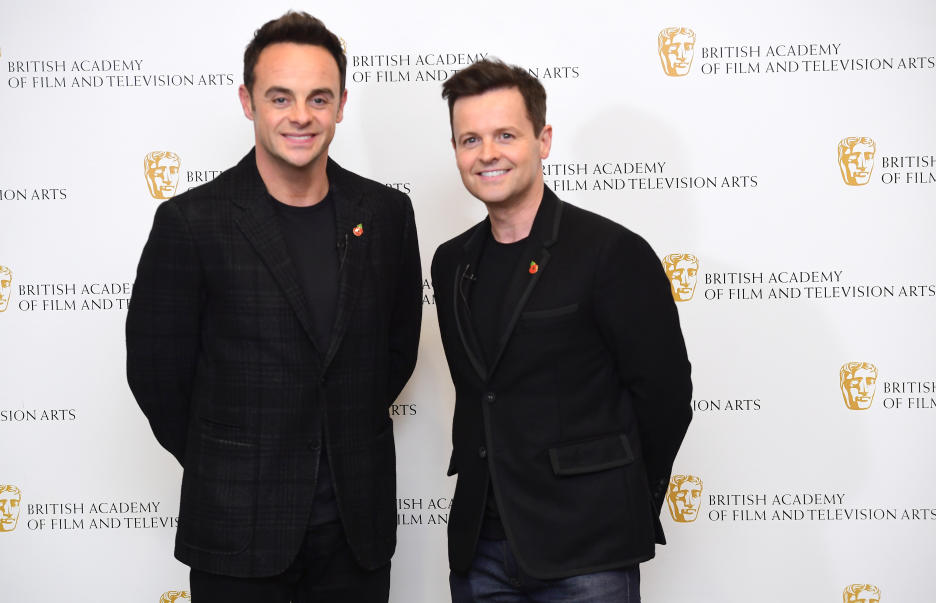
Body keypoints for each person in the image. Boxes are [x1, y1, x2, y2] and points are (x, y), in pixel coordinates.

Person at [126, 11, 421, 602]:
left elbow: (395, 351)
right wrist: (231, 456)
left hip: (354, 532)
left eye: (318, 98)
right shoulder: (191, 222)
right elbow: (157, 377)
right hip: (236, 526)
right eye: (280, 97)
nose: (300, 116)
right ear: (247, 100)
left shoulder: (386, 215)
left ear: (340, 105)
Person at [432, 59, 692, 602]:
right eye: (470, 139)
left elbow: (666, 396)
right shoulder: (451, 262)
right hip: (479, 552)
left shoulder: (611, 253)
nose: (487, 154)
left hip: (588, 550)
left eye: (506, 135)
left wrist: (621, 500)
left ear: (542, 139)